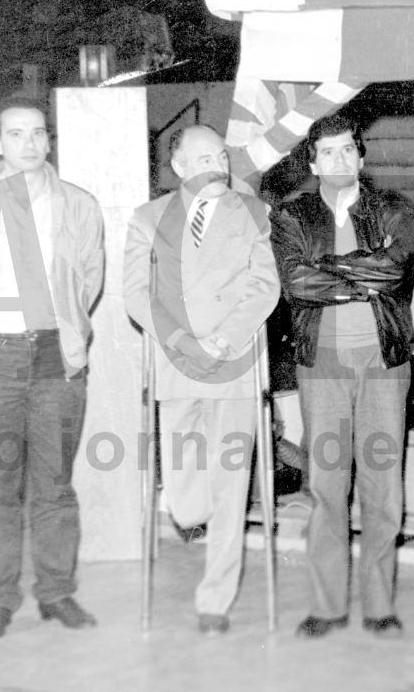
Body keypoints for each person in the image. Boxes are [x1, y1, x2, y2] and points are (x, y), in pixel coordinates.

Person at [0, 95, 104, 638]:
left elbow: (89, 277)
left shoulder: (78, 204)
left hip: (57, 357)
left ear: (48, 138)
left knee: (55, 486)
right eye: (16, 134)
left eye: (38, 133)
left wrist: (69, 329)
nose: (29, 144)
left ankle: (57, 594)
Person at [123, 125, 280, 635]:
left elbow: (264, 286)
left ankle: (215, 599)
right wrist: (189, 344)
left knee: (231, 489)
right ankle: (190, 511)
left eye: (222, 156)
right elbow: (137, 295)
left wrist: (227, 339)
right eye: (204, 158)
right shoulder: (147, 219)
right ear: (179, 167)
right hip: (179, 365)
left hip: (233, 365)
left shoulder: (252, 214)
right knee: (189, 501)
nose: (218, 166)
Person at [271, 113, 414, 640]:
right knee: (326, 485)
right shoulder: (292, 215)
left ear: (362, 156)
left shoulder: (395, 209)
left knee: (383, 484)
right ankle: (327, 604)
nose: (338, 160)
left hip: (384, 363)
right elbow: (295, 282)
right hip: (323, 365)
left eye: (346, 150)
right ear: (312, 163)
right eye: (326, 152)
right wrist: (361, 276)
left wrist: (331, 269)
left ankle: (380, 602)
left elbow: (394, 269)